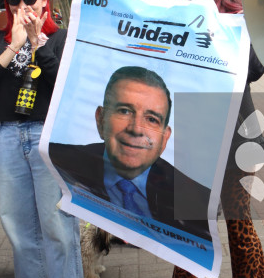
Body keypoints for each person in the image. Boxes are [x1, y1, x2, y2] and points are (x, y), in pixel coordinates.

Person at [0, 0, 83, 278]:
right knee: (20, 230)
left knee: (58, 228)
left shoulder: (61, 38)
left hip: (48, 136)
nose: (23, 5)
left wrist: (38, 43)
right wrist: (12, 47)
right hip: (5, 137)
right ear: (7, 3)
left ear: (44, 1)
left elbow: (67, 85)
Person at [170, 0, 264, 278]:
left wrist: (217, 25)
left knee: (240, 229)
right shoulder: (173, 19)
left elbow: (255, 69)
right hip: (191, 144)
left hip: (238, 142)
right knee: (191, 231)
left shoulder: (241, 20)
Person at [49, 66, 212, 239]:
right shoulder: (57, 163)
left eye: (151, 119)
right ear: (101, 120)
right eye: (124, 111)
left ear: (164, 139)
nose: (136, 129)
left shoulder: (192, 198)